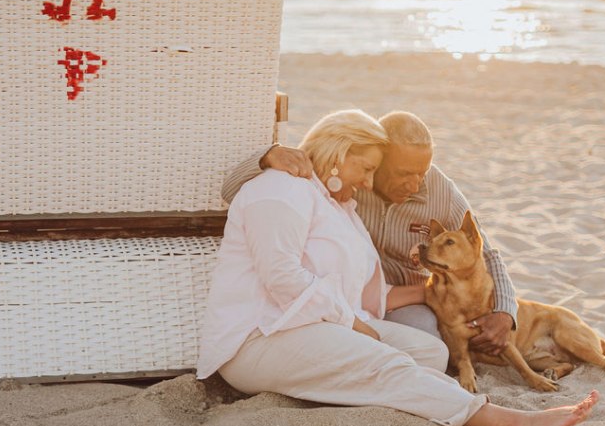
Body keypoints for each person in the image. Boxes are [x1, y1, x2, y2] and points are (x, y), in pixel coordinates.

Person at [198, 109, 597, 426]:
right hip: (260, 337)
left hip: (316, 322)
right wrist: (351, 323)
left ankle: (382, 385)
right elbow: (282, 276)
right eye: (366, 168)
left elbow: (381, 292)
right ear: (339, 151)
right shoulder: (281, 188)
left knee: (431, 353)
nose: (369, 183)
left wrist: (448, 298)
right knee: (385, 361)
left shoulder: (341, 208)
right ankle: (510, 424)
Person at [222, 111, 518, 356]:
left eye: (422, 173)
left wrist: (505, 312)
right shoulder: (347, 181)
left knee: (426, 336)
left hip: (406, 300)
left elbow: (485, 252)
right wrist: (267, 157)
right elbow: (236, 193)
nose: (415, 185)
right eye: (404, 174)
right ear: (378, 159)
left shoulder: (441, 192)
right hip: (345, 299)